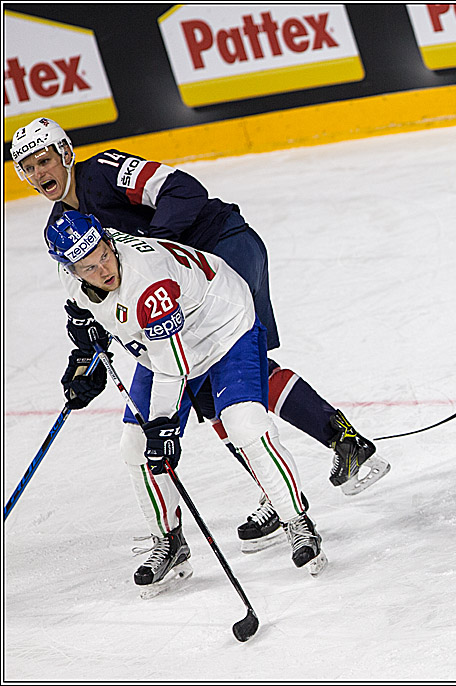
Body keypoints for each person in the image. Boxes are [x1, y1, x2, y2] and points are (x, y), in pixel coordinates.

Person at [11, 117, 388, 551]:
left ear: (65, 153)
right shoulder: (64, 224)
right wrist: (87, 357)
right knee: (213, 386)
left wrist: (155, 250)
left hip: (221, 248)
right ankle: (326, 452)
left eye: (44, 161)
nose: (39, 173)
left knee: (231, 366)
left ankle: (330, 449)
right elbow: (103, 298)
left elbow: (184, 190)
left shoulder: (104, 172)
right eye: (28, 168)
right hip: (186, 281)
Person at [48, 209, 328, 595]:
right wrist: (86, 360)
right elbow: (87, 314)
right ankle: (169, 541)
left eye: (105, 257)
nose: (104, 270)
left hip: (222, 326)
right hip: (162, 342)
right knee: (134, 446)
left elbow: (174, 367)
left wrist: (164, 425)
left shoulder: (147, 282)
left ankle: (296, 521)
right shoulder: (70, 273)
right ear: (72, 270)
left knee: (244, 422)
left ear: (109, 243)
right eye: (89, 268)